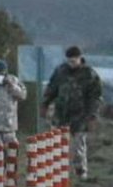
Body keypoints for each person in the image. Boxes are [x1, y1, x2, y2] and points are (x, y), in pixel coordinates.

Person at [41, 46, 103, 179]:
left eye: (74, 61)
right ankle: (57, 172)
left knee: (78, 146)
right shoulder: (60, 71)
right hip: (61, 114)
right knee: (57, 144)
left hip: (80, 116)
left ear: (80, 59)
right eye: (69, 61)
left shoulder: (89, 74)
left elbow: (95, 97)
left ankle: (81, 171)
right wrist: (45, 104)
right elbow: (52, 88)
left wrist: (93, 116)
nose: (71, 64)